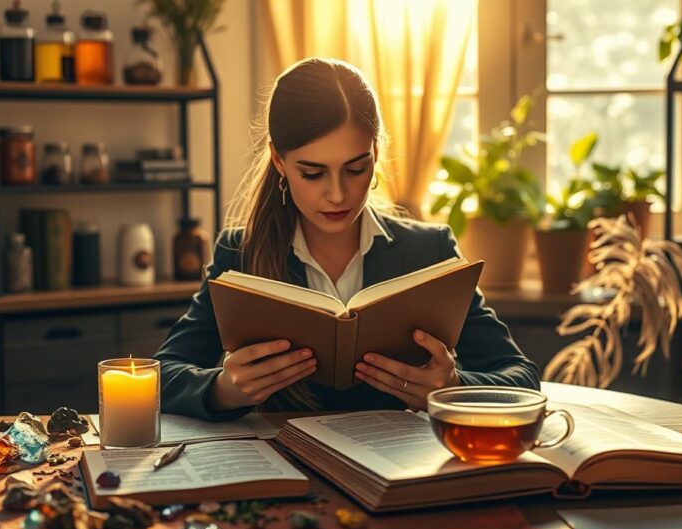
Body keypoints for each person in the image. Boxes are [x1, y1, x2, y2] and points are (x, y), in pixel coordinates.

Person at [156, 57, 539, 421]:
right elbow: (161, 378)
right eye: (312, 173)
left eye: (355, 169)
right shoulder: (239, 254)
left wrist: (453, 388)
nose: (337, 194)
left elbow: (521, 378)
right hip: (291, 477)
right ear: (278, 161)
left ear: (375, 153)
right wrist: (223, 389)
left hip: (401, 478)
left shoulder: (431, 251)